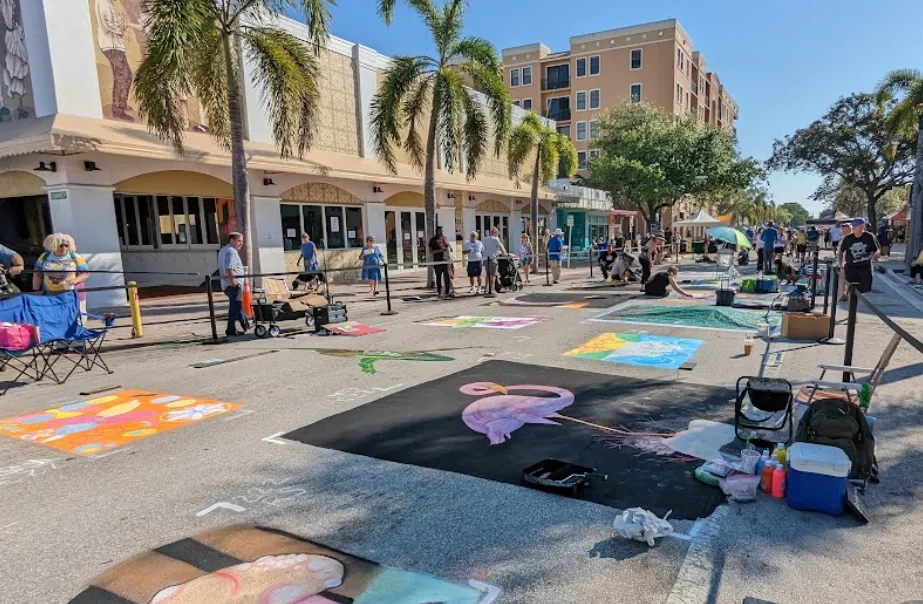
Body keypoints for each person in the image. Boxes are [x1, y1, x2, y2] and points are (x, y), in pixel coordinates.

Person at [838, 218, 880, 300]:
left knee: (864, 289)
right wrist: (840, 264)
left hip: (865, 267)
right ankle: (846, 296)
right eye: (852, 225)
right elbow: (840, 252)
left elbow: (877, 250)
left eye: (855, 226)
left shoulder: (869, 237)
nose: (853, 227)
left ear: (862, 227)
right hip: (851, 266)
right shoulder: (848, 238)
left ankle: (855, 301)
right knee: (848, 283)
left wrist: (874, 256)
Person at [217, 232, 249, 337]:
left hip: (227, 284)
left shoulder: (223, 251)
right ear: (231, 241)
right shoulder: (231, 252)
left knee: (236, 306)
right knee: (235, 308)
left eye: (242, 241)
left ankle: (245, 325)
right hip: (233, 284)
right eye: (239, 241)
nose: (241, 244)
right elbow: (229, 268)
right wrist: (234, 282)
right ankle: (231, 329)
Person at [428, 226, 452, 299]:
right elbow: (430, 251)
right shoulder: (433, 240)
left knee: (447, 277)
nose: (441, 232)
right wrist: (439, 251)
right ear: (437, 231)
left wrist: (450, 248)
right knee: (438, 277)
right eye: (440, 230)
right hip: (438, 261)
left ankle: (447, 292)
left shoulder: (444, 238)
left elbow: (448, 247)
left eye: (442, 231)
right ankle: (439, 292)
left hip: (446, 260)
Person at [483, 226, 507, 291]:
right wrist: (505, 254)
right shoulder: (495, 239)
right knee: (492, 275)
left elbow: (483, 249)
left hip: (485, 258)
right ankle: (491, 289)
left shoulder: (484, 239)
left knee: (487, 274)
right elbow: (501, 247)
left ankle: (486, 288)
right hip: (492, 258)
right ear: (495, 233)